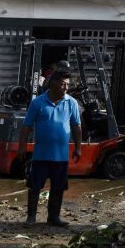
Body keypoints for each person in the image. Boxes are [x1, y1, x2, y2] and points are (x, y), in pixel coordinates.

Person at [16, 71, 82, 227]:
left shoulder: (71, 102)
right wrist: (21, 147)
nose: (66, 87)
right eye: (62, 84)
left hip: (61, 156)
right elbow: (26, 127)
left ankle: (53, 217)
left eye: (67, 84)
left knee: (58, 188)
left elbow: (76, 126)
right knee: (34, 187)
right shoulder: (38, 102)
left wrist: (78, 148)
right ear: (52, 83)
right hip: (41, 155)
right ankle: (31, 217)